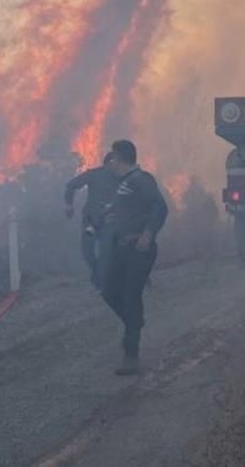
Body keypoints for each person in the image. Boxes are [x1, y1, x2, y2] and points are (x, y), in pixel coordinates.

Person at [98, 139, 168, 375]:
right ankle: (134, 322)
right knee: (107, 289)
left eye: (113, 158)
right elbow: (127, 208)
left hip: (139, 248)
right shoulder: (125, 183)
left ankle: (131, 355)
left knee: (130, 295)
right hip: (121, 247)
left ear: (120, 158)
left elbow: (160, 207)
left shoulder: (142, 179)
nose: (111, 162)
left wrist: (148, 234)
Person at [64, 151, 119, 290]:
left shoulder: (122, 177)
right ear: (107, 163)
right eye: (114, 162)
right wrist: (69, 205)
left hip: (110, 220)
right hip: (91, 220)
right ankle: (97, 273)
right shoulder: (94, 174)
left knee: (107, 250)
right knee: (87, 250)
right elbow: (71, 185)